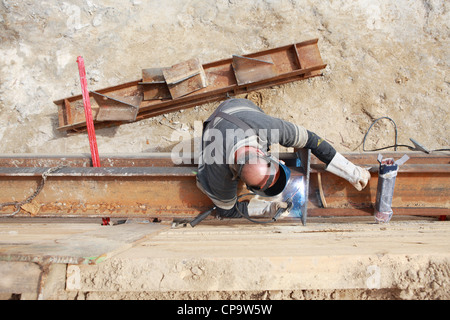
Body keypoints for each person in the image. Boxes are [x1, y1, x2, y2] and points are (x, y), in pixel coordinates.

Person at [196, 98, 371, 218]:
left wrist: (351, 171)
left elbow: (311, 139)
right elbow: (226, 211)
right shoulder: (217, 167)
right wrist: (268, 208)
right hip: (214, 126)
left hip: (240, 106)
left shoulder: (269, 127)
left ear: (271, 158)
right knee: (206, 182)